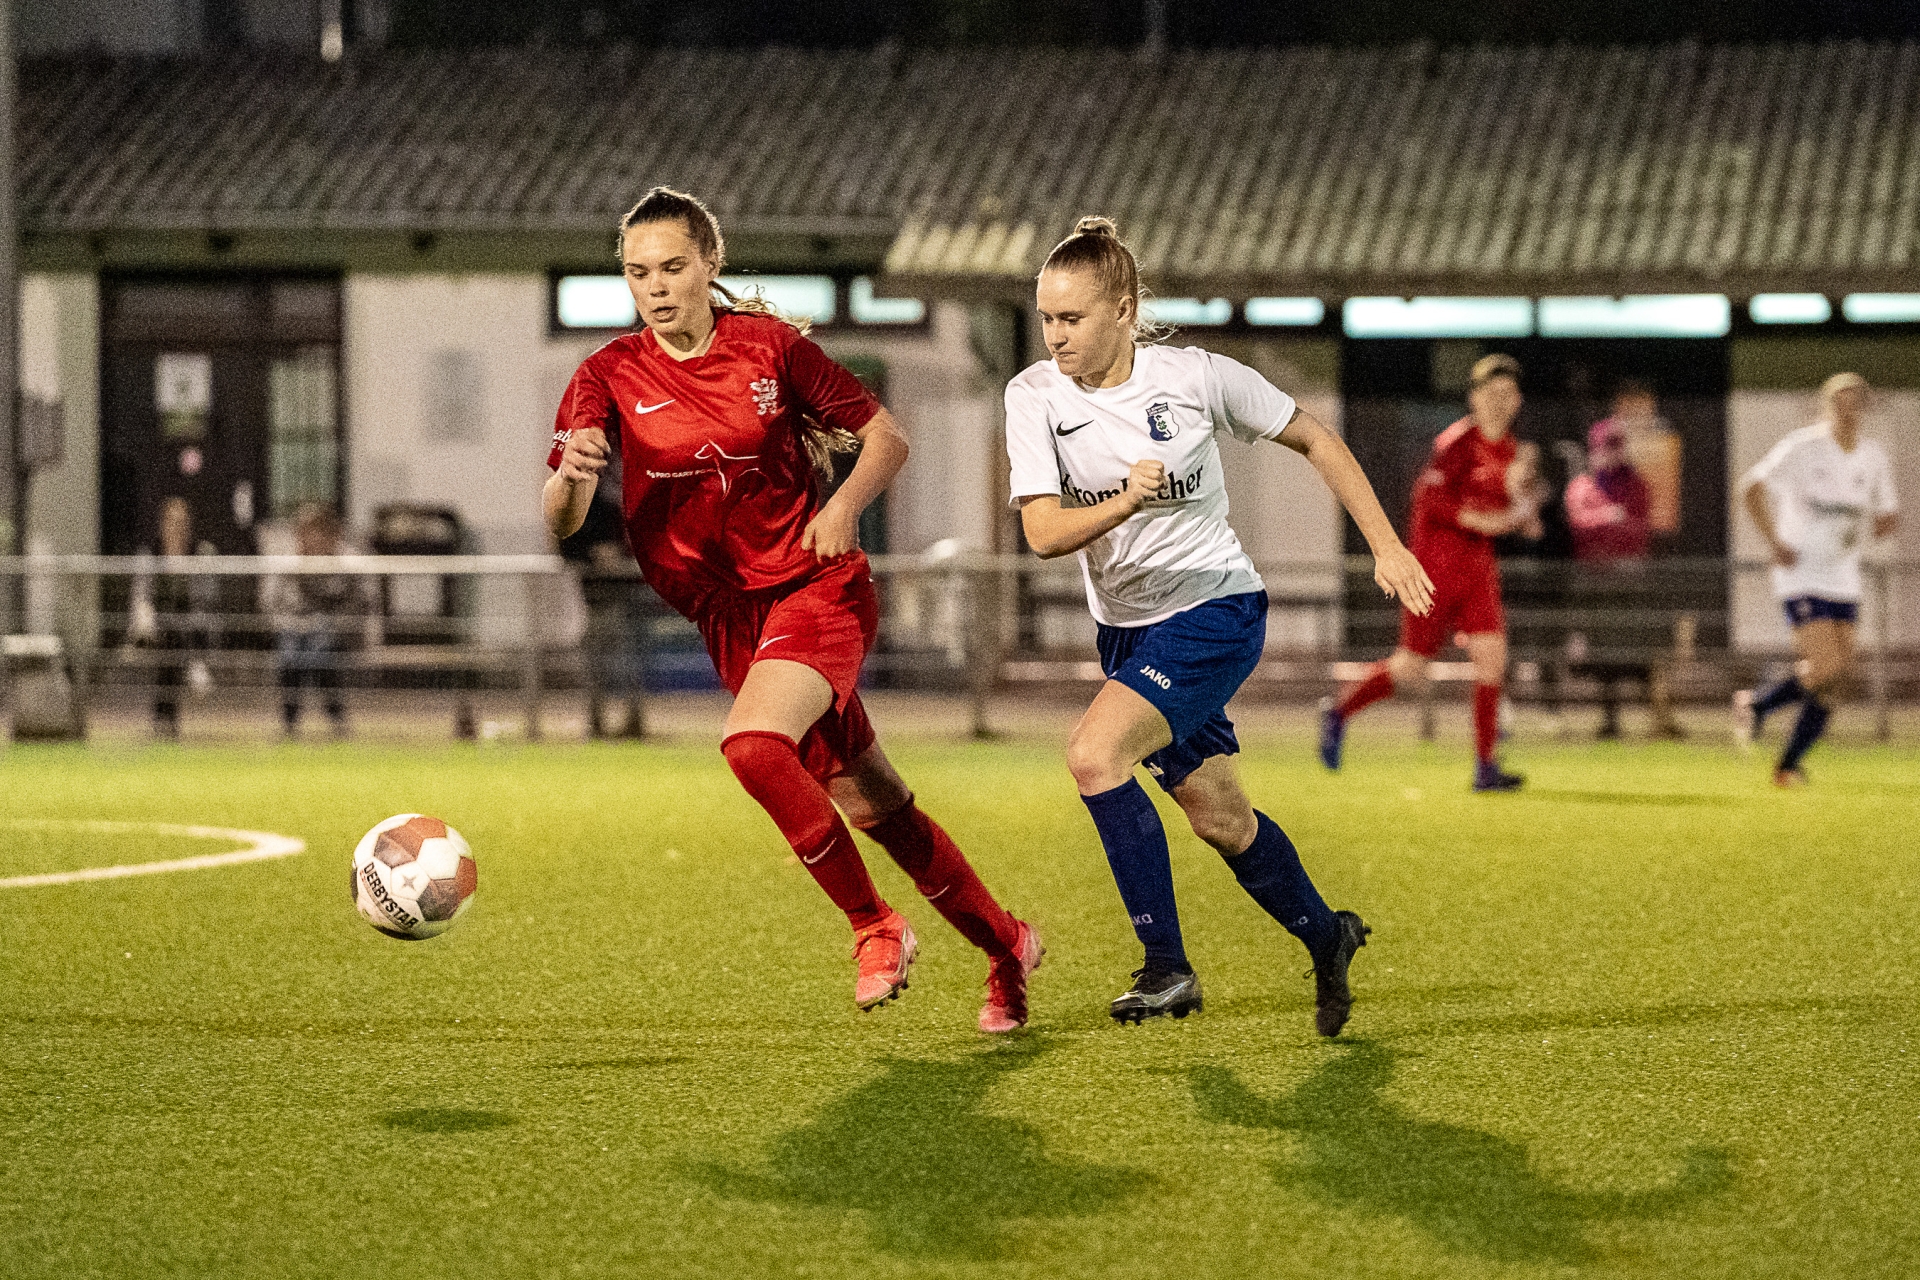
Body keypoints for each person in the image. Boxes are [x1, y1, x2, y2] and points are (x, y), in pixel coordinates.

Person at [543, 187, 1041, 1031]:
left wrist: (842, 508)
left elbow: (887, 436)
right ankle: (1007, 947)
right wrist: (572, 475)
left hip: (816, 588)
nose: (655, 286)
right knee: (875, 803)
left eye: (672, 267)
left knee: (751, 745)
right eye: (637, 272)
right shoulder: (606, 375)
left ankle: (875, 926)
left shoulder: (768, 349)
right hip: (728, 617)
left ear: (710, 264)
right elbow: (561, 519)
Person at [1006, 216, 1433, 1035]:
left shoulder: (1196, 377)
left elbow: (1315, 438)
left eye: (1073, 318)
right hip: (1128, 633)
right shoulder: (1032, 395)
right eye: (1047, 318)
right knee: (1221, 819)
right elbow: (1043, 534)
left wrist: (1386, 546)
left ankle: (1166, 967)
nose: (1055, 336)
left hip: (1215, 610)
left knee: (1095, 755)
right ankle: (1328, 935)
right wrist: (1125, 500)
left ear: (1123, 310)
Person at [1319, 354, 1531, 792]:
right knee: (1412, 667)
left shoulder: (1510, 449)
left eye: (1507, 393)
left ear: (1518, 400)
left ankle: (1486, 766)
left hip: (1478, 569)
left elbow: (1502, 510)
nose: (1499, 401)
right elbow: (1429, 501)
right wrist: (1484, 519)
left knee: (1492, 658)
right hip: (1435, 571)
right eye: (1491, 393)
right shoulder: (1457, 443)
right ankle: (1338, 713)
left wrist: (1519, 515)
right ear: (1474, 398)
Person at [1734, 372, 1899, 785]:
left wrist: (1884, 521)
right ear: (1827, 404)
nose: (1848, 407)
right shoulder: (1802, 447)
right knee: (1826, 667)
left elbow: (1886, 510)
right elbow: (1750, 488)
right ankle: (1762, 712)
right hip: (1801, 574)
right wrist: (1774, 542)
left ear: (1865, 406)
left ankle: (1782, 755)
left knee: (1837, 678)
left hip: (1844, 577)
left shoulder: (1872, 455)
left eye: (1856, 399)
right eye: (1840, 399)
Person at [262, 503, 373, 738]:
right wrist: (291, 624)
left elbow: (363, 602)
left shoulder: (350, 562)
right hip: (294, 630)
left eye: (320, 531)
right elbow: (270, 603)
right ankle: (290, 724)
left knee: (319, 651)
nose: (314, 538)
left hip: (336, 632)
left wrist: (333, 624)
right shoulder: (287, 563)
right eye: (306, 532)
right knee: (290, 655)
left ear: (333, 534)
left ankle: (336, 721)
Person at [128, 496, 212, 739]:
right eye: (172, 521)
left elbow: (206, 600)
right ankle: (167, 719)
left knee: (175, 642)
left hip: (191, 626)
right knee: (167, 643)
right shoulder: (151, 553)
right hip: (156, 627)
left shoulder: (201, 553)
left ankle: (164, 719)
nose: (177, 527)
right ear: (162, 523)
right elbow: (140, 594)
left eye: (182, 522)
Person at [1565, 418, 1651, 563]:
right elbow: (1574, 525)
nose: (1614, 451)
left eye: (1619, 444)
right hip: (1590, 564)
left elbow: (1642, 528)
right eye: (1610, 444)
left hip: (1626, 563)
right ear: (1594, 448)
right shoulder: (1580, 486)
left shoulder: (1636, 485)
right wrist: (1606, 516)